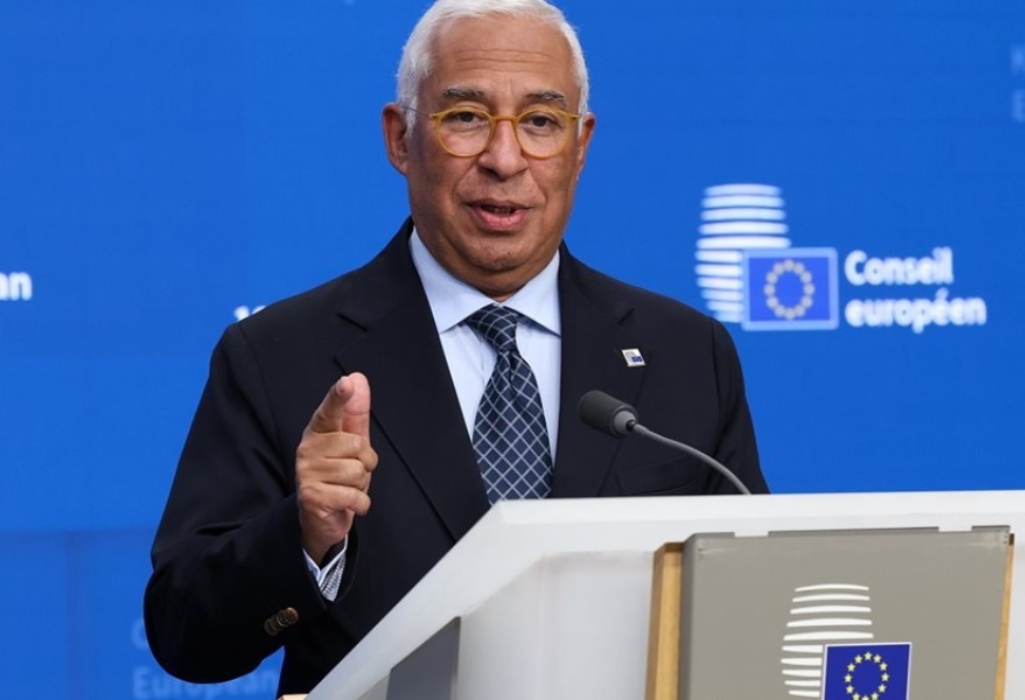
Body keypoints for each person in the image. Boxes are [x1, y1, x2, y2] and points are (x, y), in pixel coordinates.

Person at [144, 0, 767, 695]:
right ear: (400, 138)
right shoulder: (277, 355)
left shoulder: (686, 353)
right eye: (466, 117)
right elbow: (183, 632)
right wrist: (303, 534)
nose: (505, 159)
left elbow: (753, 606)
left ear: (580, 145)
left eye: (540, 122)